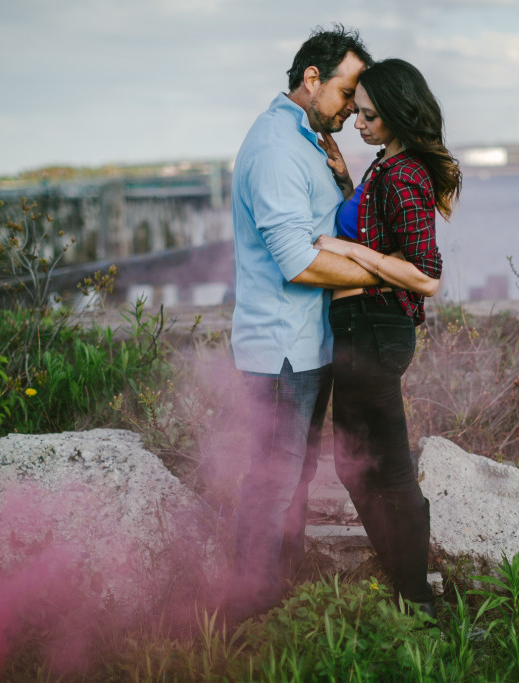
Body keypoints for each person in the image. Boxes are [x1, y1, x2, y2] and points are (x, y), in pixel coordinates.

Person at [227, 26, 379, 620]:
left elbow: (326, 223)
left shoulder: (306, 139)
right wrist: (387, 277)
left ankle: (279, 594)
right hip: (282, 352)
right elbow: (296, 260)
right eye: (346, 94)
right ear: (312, 80)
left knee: (293, 479)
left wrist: (344, 180)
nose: (351, 109)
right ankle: (248, 615)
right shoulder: (275, 148)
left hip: (307, 345)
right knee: (273, 484)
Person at [313, 58, 462, 619]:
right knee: (357, 465)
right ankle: (410, 588)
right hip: (362, 327)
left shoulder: (403, 176)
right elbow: (376, 225)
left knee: (386, 468)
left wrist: (352, 252)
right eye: (360, 112)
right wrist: (346, 182)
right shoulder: (386, 165)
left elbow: (427, 273)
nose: (359, 122)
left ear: (399, 114)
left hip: (375, 328)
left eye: (372, 115)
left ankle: (417, 600)